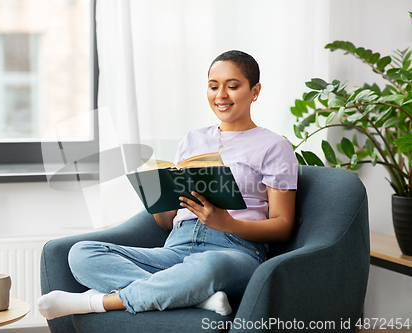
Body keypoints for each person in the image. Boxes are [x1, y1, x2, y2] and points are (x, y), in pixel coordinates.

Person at [37, 50, 298, 319]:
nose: (221, 95)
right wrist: (157, 197)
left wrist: (226, 223)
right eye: (213, 86)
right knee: (82, 253)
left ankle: (98, 302)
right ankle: (193, 296)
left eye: (232, 86)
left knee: (207, 266)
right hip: (177, 247)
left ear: (254, 91)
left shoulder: (275, 146)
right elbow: (166, 222)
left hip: (233, 250)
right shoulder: (192, 141)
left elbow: (283, 225)